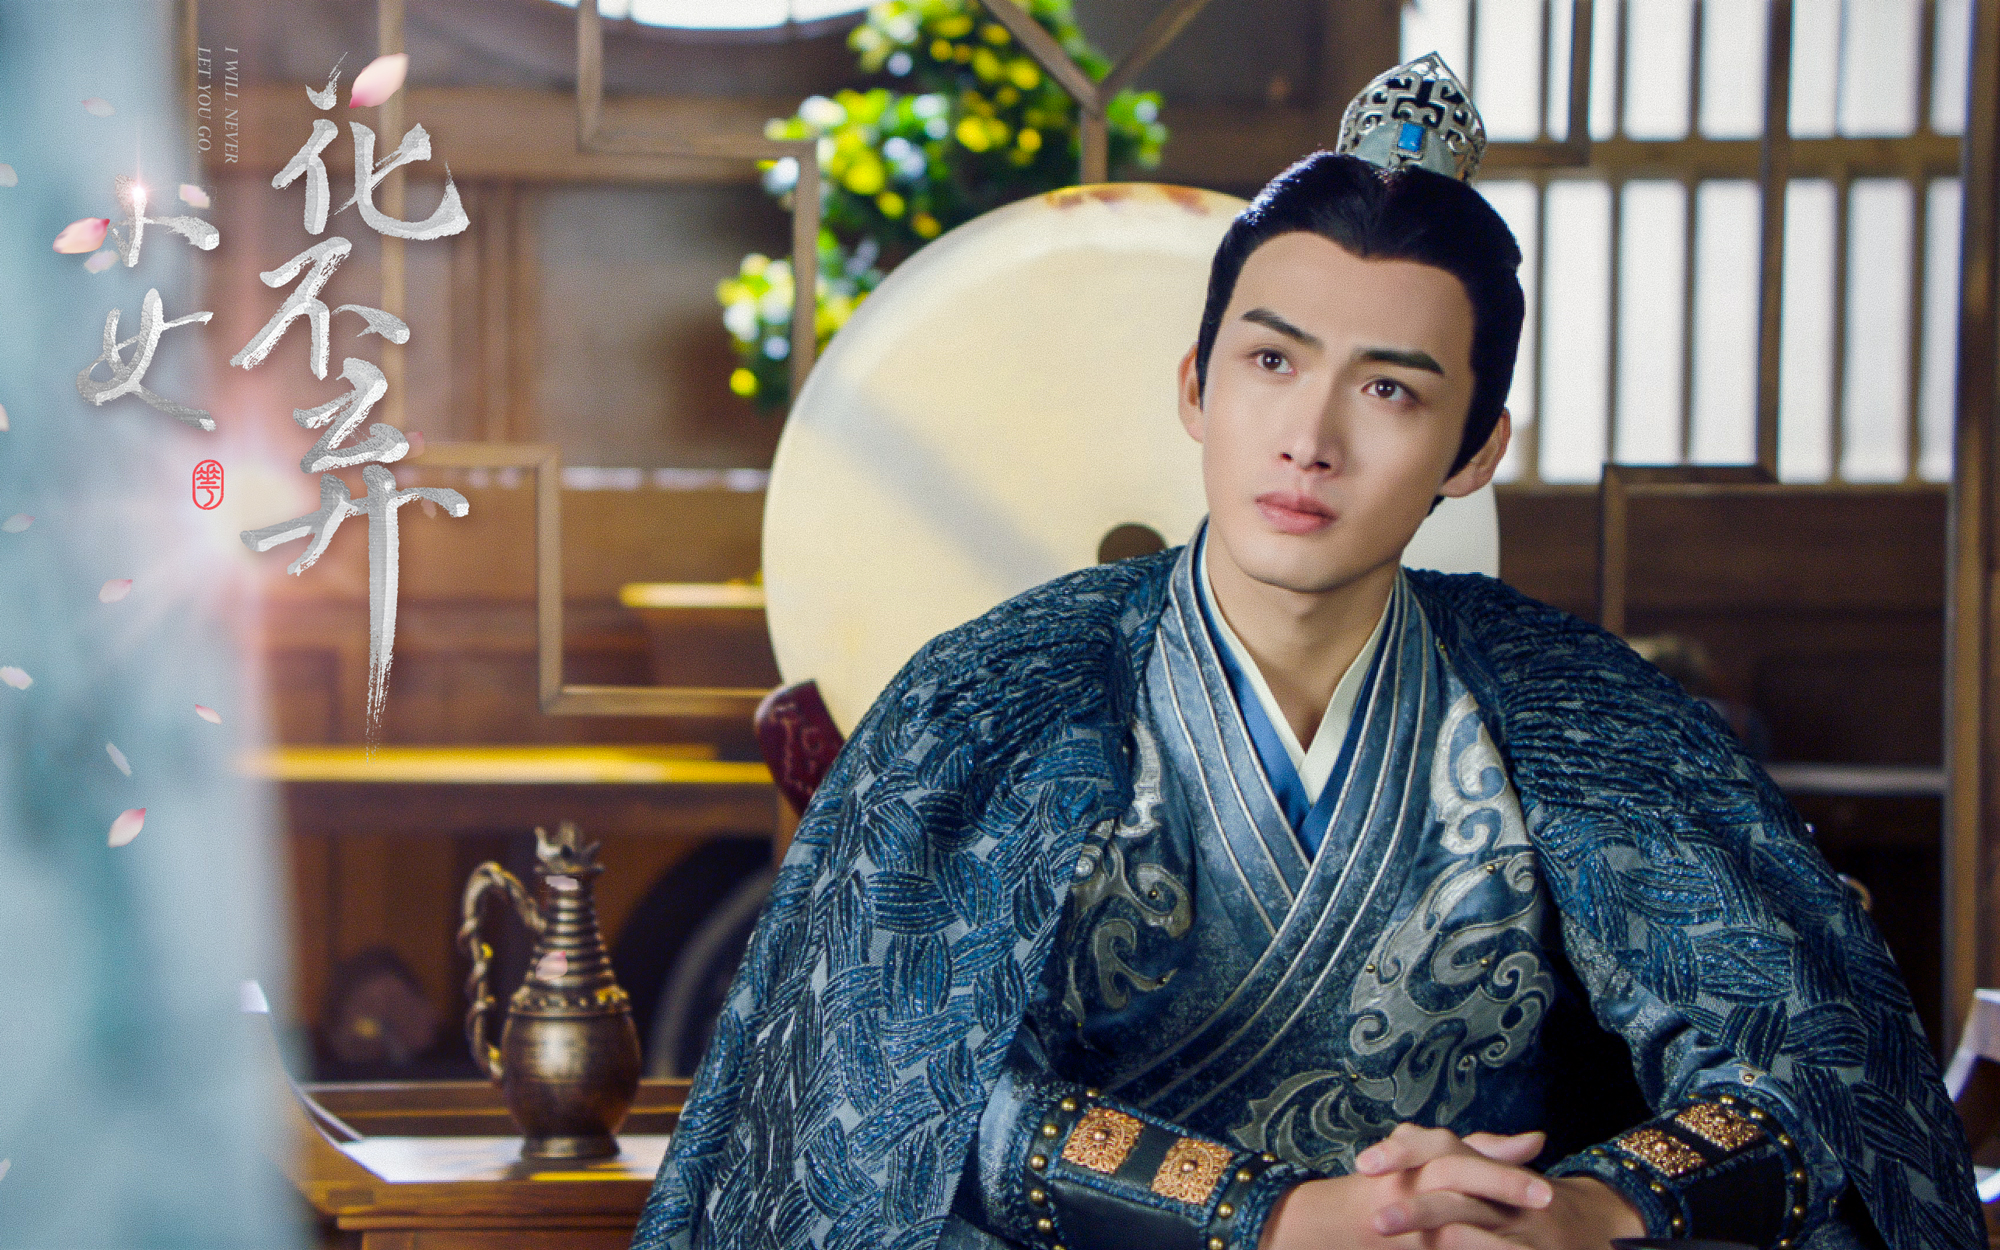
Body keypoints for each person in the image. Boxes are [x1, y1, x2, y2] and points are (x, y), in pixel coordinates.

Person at [633, 55, 1980, 1250]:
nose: (1311, 438)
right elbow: (887, 1093)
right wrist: (1270, 1218)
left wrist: (1582, 1211)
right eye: (1273, 362)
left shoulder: (1578, 716)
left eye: (1389, 387)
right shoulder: (996, 695)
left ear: (1475, 451)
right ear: (1197, 383)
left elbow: (1817, 1073)